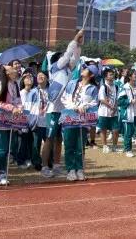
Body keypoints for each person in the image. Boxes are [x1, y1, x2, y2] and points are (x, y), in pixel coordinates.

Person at [41, 30, 83, 178]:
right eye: (63, 58)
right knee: (50, 138)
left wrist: (78, 45)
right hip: (53, 109)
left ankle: (57, 165)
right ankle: (45, 166)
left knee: (59, 138)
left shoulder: (68, 71)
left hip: (64, 110)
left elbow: (75, 58)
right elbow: (67, 56)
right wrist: (74, 39)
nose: (67, 60)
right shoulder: (54, 68)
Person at [0, 64, 23, 186]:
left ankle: (1, 172)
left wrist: (19, 107)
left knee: (6, 149)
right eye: (11, 69)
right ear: (6, 72)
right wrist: (11, 108)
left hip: (9, 120)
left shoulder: (14, 84)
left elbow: (18, 100)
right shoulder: (1, 84)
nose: (14, 70)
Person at [61, 64, 99, 181]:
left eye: (86, 69)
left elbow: (94, 103)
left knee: (80, 145)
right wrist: (73, 106)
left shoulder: (93, 88)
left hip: (83, 120)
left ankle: (80, 169)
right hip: (69, 117)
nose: (83, 69)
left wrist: (84, 106)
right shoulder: (72, 83)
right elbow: (64, 98)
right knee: (69, 145)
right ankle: (70, 170)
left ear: (91, 75)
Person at [117, 69, 136, 157]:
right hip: (128, 113)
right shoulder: (124, 87)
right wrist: (130, 101)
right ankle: (128, 149)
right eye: (134, 74)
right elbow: (119, 101)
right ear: (130, 77)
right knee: (128, 132)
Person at [96, 67, 118, 153]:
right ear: (105, 77)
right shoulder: (103, 87)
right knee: (103, 129)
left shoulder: (116, 86)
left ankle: (114, 146)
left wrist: (115, 107)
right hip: (104, 112)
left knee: (115, 130)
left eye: (113, 74)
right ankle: (105, 145)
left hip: (114, 112)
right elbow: (102, 99)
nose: (112, 76)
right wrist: (111, 107)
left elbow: (116, 98)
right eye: (110, 74)